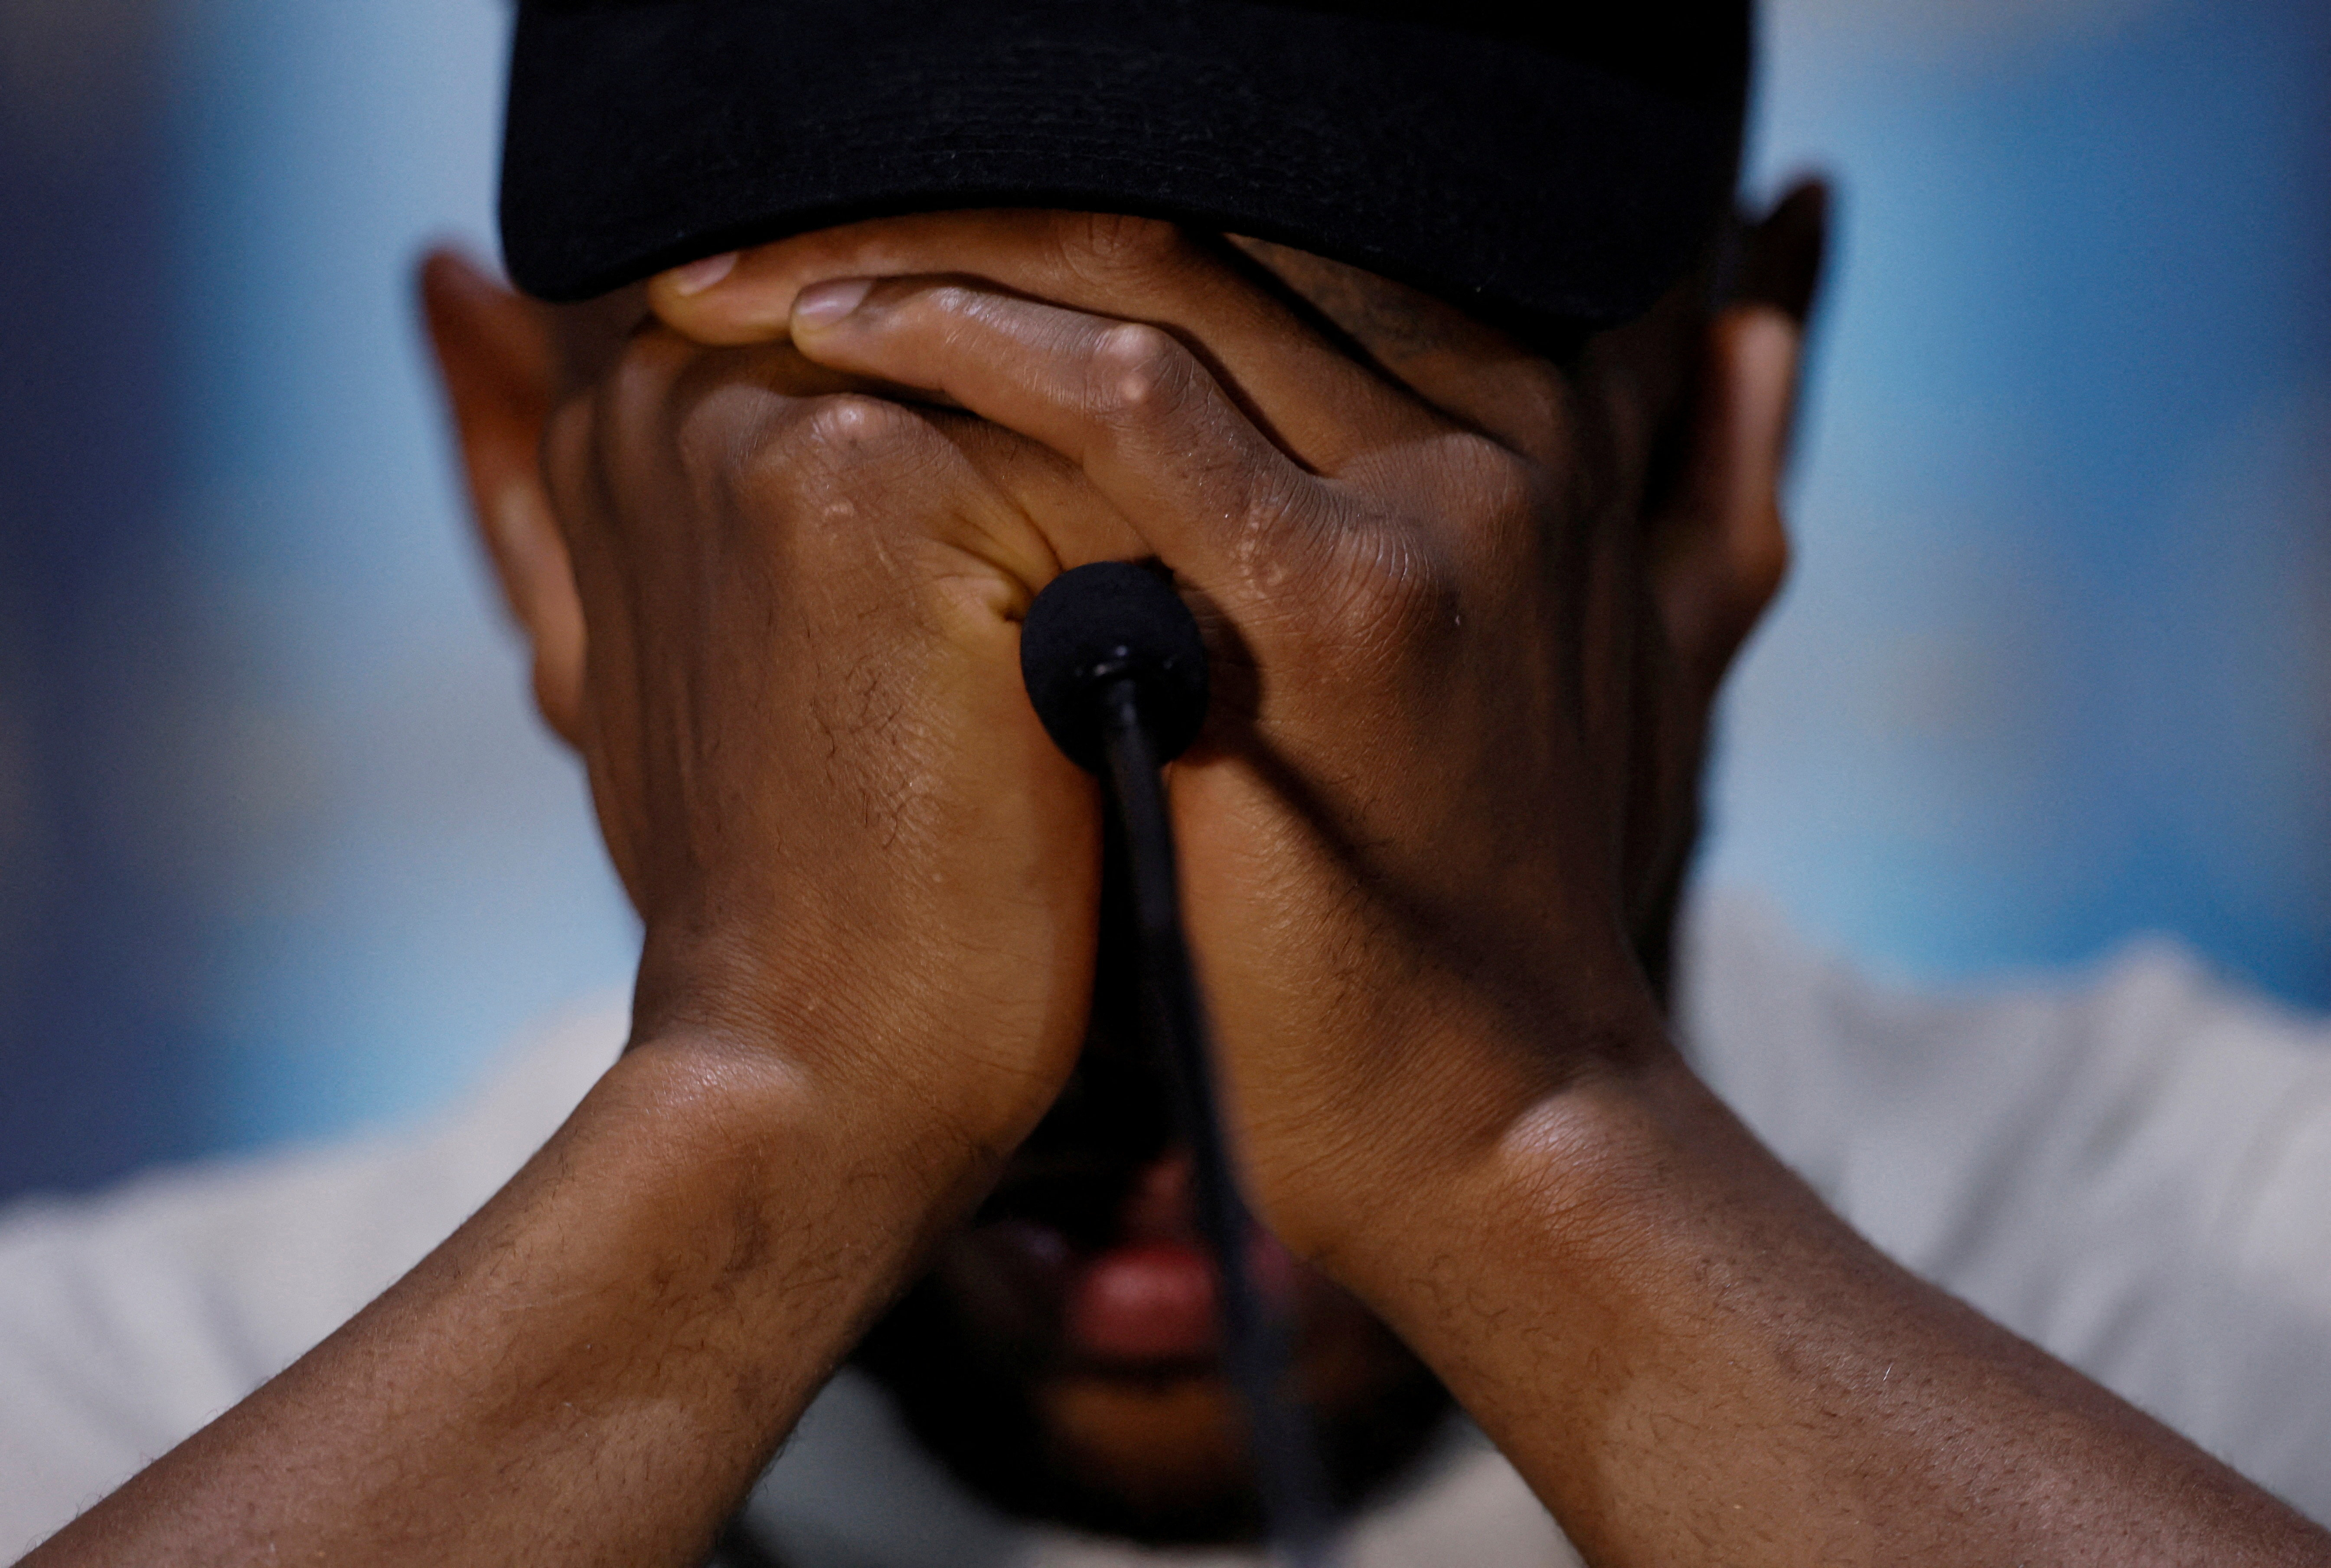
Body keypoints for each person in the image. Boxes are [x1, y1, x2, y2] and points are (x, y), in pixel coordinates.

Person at [5, 3, 2330, 1564]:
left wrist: (1521, 1160)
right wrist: (758, 1133)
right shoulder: (117, 1402)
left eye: (1313, 500)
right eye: (866, 523)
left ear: (1711, 472)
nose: (1115, 890)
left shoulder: (2237, 1283)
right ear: (538, 499)